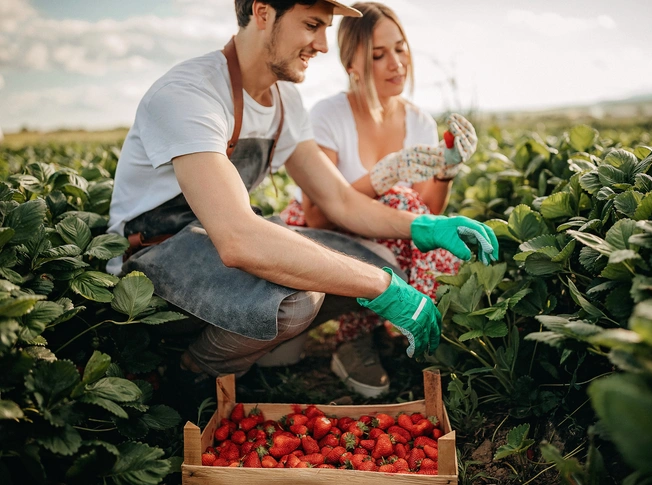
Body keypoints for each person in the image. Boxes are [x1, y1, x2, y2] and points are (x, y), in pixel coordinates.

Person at [106, 0, 498, 398]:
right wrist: (383, 288)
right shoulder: (191, 93)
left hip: (207, 246)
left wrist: (422, 226)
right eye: (312, 25)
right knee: (297, 297)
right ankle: (190, 373)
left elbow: (339, 201)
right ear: (262, 13)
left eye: (326, 28)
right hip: (152, 259)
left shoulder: (284, 101)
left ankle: (239, 341)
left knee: (378, 259)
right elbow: (238, 237)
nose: (324, 45)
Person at [280, 2, 471, 397]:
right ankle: (354, 339)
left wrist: (444, 170)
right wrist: (384, 176)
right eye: (379, 55)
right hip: (326, 234)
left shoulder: (417, 120)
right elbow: (317, 216)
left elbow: (428, 214)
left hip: (386, 234)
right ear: (352, 65)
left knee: (414, 215)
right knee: (399, 202)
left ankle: (408, 330)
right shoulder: (328, 115)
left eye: (400, 49)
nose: (396, 63)